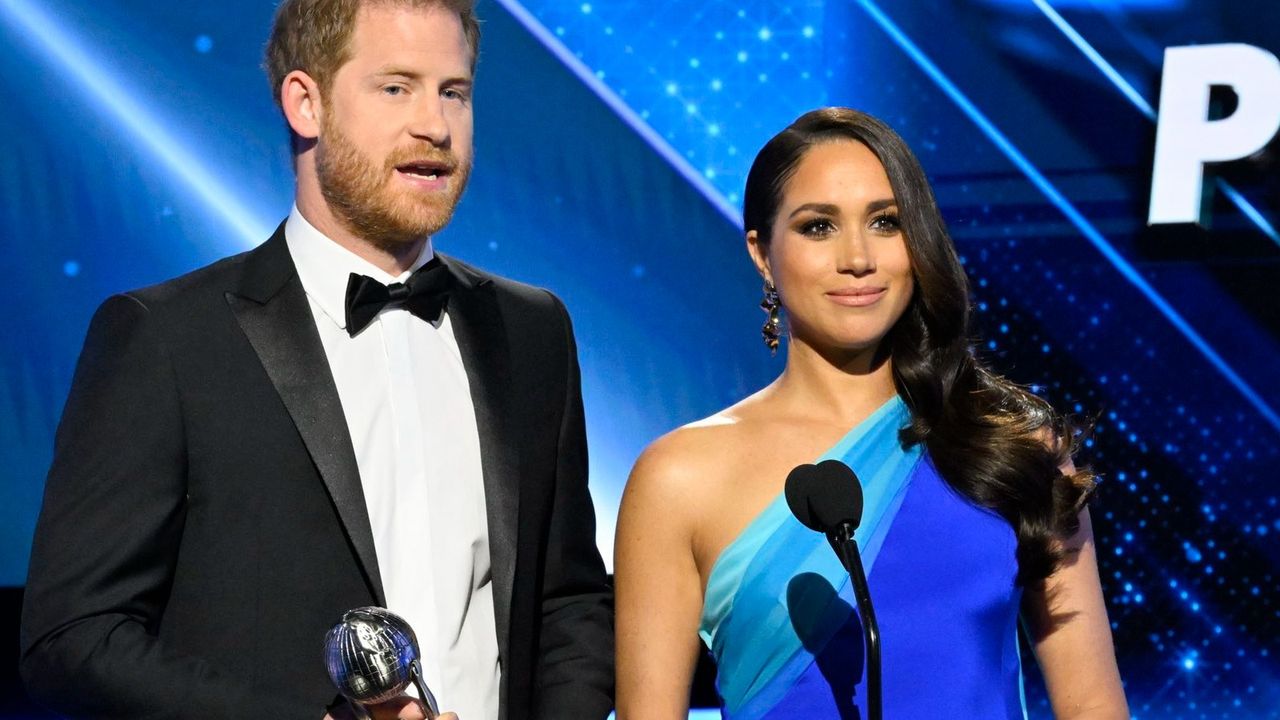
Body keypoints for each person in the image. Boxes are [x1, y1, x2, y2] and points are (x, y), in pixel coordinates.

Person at [19, 1, 614, 719]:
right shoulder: (168, 338)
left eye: (453, 91)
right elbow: (74, 639)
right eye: (396, 88)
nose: (435, 125)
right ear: (306, 103)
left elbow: (569, 600)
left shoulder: (532, 331)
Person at [614, 108, 1128, 719]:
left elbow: (1093, 703)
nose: (858, 257)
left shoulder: (1017, 449)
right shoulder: (679, 477)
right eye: (817, 227)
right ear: (761, 251)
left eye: (886, 222)